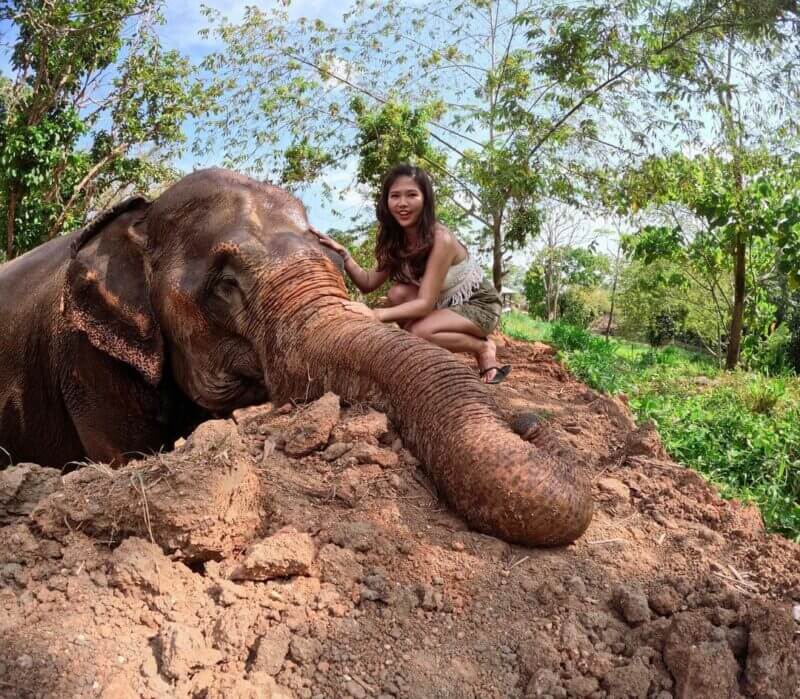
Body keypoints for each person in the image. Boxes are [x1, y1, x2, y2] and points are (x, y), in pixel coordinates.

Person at [311, 164, 511, 384]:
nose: (402, 203)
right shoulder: (396, 238)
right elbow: (368, 283)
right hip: (447, 304)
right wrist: (345, 256)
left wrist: (375, 314)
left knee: (419, 331)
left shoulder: (440, 238)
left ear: (425, 199)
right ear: (386, 201)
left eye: (412, 195)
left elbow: (425, 304)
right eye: (395, 196)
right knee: (398, 294)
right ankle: (427, 354)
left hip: (479, 305)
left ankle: (482, 346)